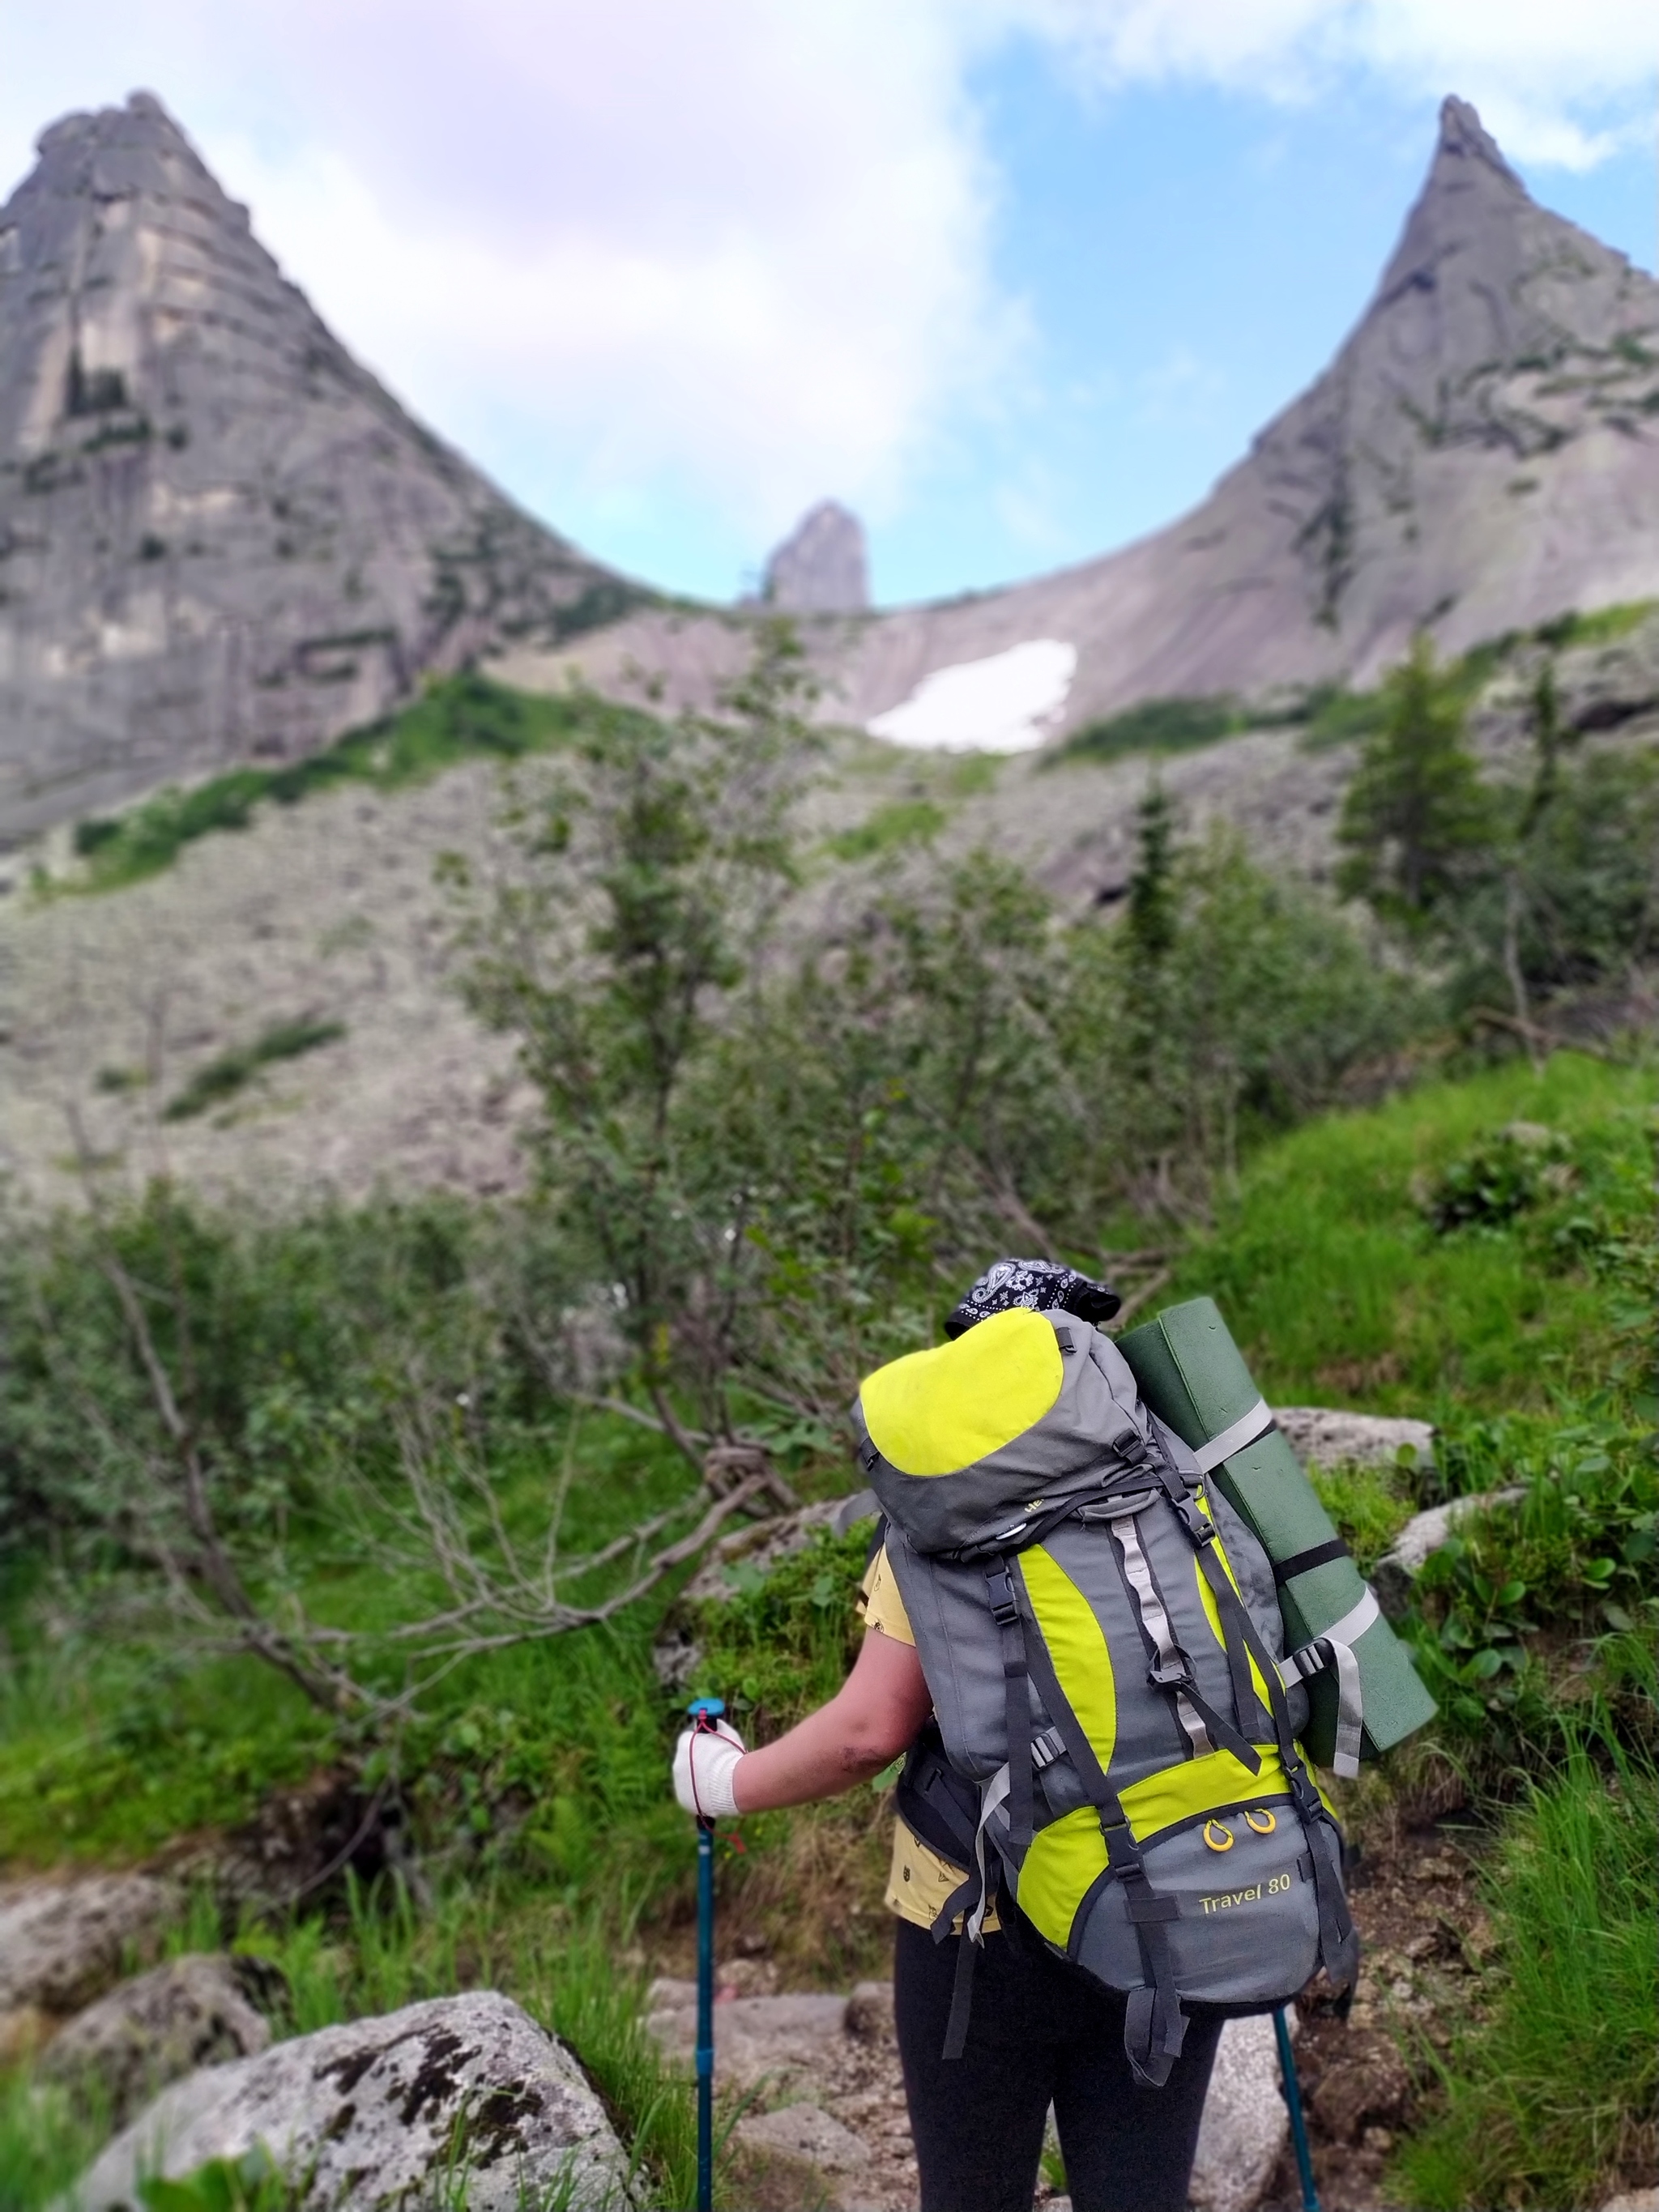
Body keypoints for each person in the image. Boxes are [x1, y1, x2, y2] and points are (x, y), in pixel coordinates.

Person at [672, 1259, 1225, 2212]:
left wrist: (722, 1781)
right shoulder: (1184, 1487)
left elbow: (865, 1729)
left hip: (982, 1921)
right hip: (1182, 1891)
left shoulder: (935, 1522)